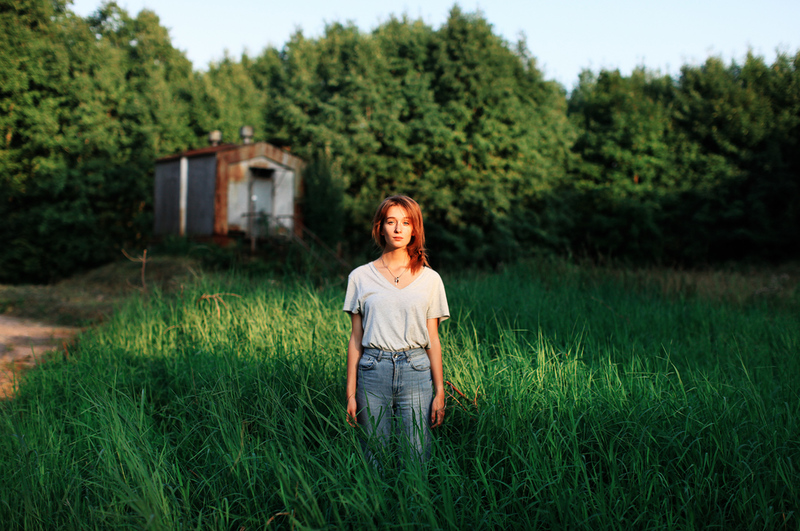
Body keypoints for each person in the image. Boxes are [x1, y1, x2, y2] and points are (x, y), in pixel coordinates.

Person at [343, 195, 449, 464]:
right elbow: (356, 339)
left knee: (416, 455)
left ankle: (414, 505)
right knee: (374, 455)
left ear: (415, 229)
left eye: (406, 222)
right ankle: (375, 506)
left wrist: (439, 392)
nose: (398, 229)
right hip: (372, 370)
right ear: (380, 227)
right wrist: (351, 394)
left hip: (416, 371)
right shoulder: (360, 277)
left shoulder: (430, 279)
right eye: (391, 222)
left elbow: (433, 340)